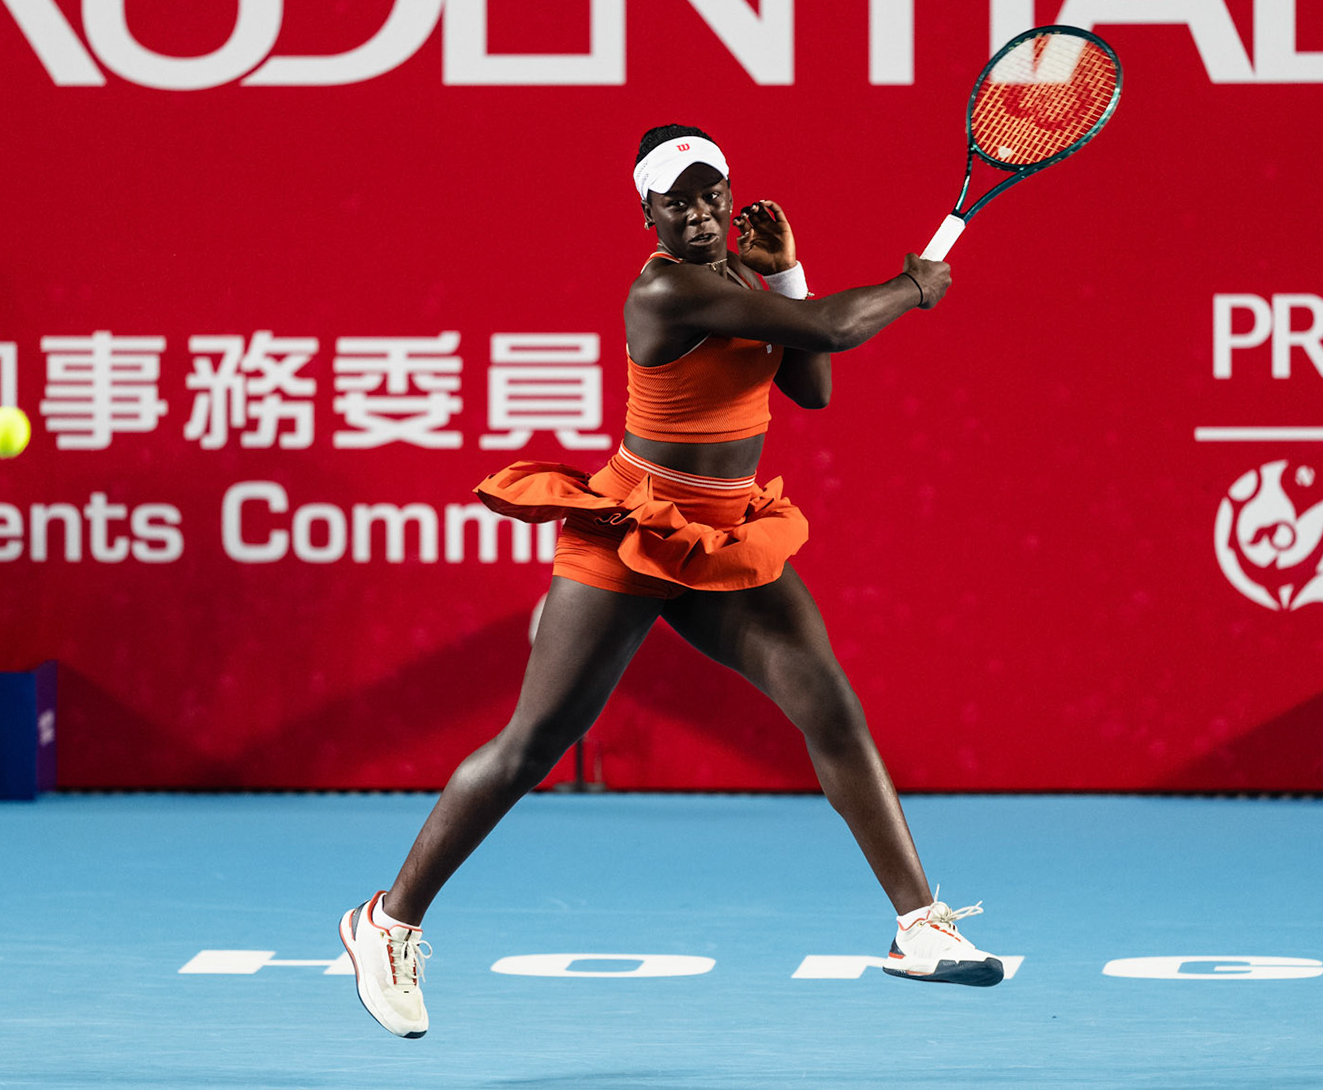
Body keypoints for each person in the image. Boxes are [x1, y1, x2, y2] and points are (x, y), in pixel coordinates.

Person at [339, 124, 1002, 1037]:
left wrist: (785, 274)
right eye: (676, 200)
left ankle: (920, 925)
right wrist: (912, 288)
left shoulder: (735, 278)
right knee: (534, 743)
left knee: (830, 709)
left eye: (709, 193)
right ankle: (387, 920)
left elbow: (810, 387)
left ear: (729, 195)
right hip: (635, 532)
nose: (697, 212)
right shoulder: (666, 287)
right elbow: (834, 332)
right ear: (647, 213)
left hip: (725, 533)